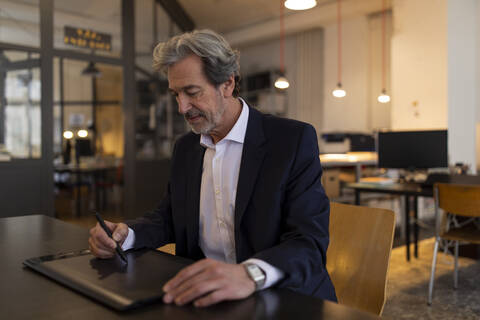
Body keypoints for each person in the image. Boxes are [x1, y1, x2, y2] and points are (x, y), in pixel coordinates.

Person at [89, 29, 336, 307]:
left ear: (227, 84)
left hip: (284, 298)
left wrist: (248, 274)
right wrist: (126, 234)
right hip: (210, 300)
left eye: (192, 92)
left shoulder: (291, 141)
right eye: (175, 94)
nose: (182, 107)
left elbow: (309, 243)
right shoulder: (186, 148)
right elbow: (170, 218)